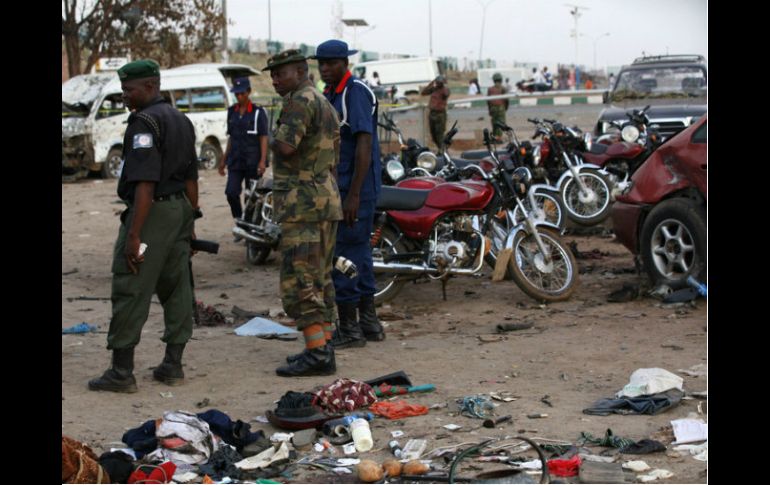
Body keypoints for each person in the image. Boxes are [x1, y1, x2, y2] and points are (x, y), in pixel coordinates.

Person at [89, 59, 200, 393]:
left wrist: (134, 235)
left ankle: (121, 372)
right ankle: (173, 365)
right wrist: (190, 222)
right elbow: (191, 177)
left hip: (152, 214)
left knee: (131, 282)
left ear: (150, 86)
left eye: (129, 89)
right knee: (177, 285)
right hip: (179, 210)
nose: (124, 95)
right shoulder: (181, 119)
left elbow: (145, 184)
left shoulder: (144, 123)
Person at [264, 49, 344, 377]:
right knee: (321, 277)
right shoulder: (324, 102)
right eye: (272, 75)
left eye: (280, 74)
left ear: (299, 72)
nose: (275, 80)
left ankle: (317, 353)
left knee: (302, 279)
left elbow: (286, 146)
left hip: (303, 204)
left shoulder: (300, 101)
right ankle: (322, 346)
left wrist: (268, 138)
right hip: (324, 199)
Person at [311, 39, 385, 350]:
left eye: (331, 64)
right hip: (341, 187)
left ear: (345, 63)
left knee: (344, 257)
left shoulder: (355, 92)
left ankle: (351, 329)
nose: (325, 69)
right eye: (321, 64)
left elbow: (364, 145)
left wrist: (354, 195)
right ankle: (369, 324)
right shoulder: (332, 93)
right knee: (360, 255)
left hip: (355, 190)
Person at [218, 77, 268, 240]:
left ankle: (249, 228)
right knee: (231, 192)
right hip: (236, 161)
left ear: (248, 92)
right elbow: (231, 137)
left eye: (242, 93)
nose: (239, 96)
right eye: (236, 94)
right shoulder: (232, 112)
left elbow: (263, 137)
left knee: (251, 197)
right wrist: (223, 159)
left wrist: (263, 160)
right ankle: (240, 221)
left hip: (253, 161)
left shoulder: (258, 112)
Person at [420, 75, 451, 150]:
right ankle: (440, 149)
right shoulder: (434, 89)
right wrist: (432, 83)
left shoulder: (445, 90)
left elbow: (446, 94)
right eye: (437, 82)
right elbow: (423, 92)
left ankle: (443, 150)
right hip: (432, 113)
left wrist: (443, 83)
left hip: (440, 114)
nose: (438, 83)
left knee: (439, 134)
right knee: (433, 134)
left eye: (439, 82)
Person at [487, 73, 509, 140]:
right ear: (501, 80)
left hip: (493, 108)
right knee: (501, 122)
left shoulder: (490, 89)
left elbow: (488, 101)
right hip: (501, 108)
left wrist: (490, 109)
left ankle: (494, 136)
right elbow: (506, 100)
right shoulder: (503, 88)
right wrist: (505, 108)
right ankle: (498, 137)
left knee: (494, 122)